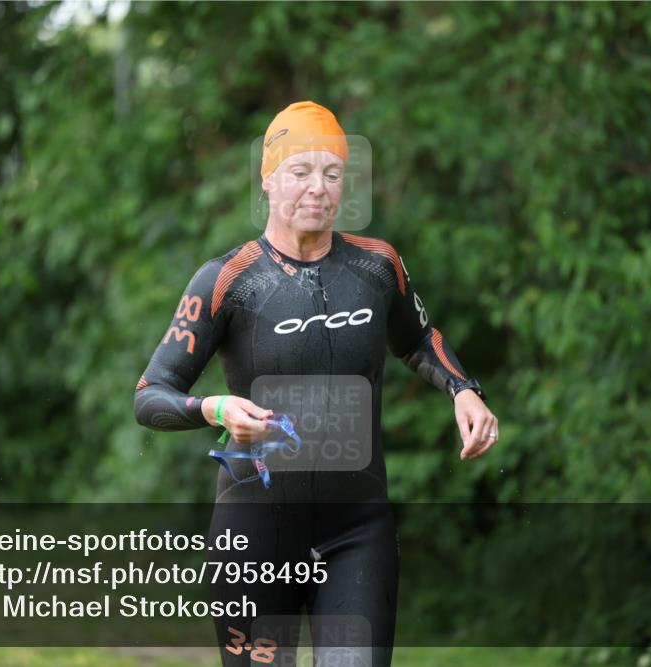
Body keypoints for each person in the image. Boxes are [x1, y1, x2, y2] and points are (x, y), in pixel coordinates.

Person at [135, 100, 498, 666]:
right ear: (268, 179)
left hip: (356, 533)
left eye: (332, 173)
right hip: (254, 534)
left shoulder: (378, 267)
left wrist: (464, 390)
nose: (317, 188)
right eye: (300, 171)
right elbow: (150, 394)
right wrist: (215, 408)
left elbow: (419, 339)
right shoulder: (227, 279)